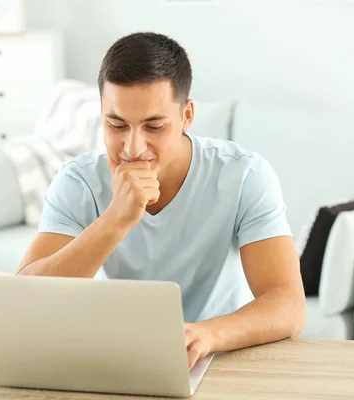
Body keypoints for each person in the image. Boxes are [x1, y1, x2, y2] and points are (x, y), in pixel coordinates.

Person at [17, 32, 306, 370]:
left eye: (154, 127)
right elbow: (25, 300)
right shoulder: (77, 181)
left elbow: (288, 305)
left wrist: (206, 335)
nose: (133, 148)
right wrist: (116, 219)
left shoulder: (244, 176)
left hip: (221, 359)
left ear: (187, 115)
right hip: (116, 361)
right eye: (116, 124)